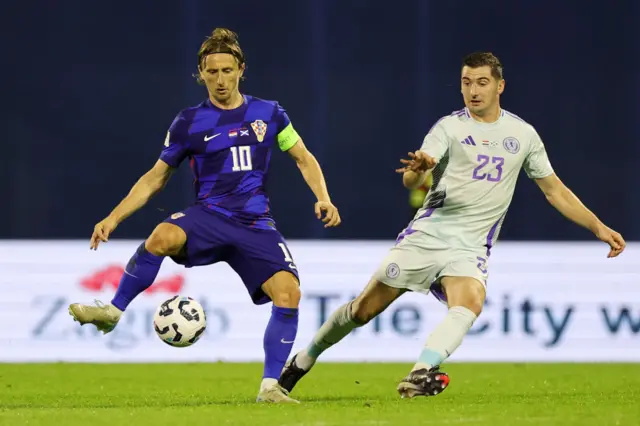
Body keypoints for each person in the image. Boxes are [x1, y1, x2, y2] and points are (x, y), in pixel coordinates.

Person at [278, 51, 626, 399]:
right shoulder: (449, 128)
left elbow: (555, 191)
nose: (473, 90)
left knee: (470, 302)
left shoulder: (523, 135)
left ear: (500, 86)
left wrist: (598, 228)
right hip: (428, 236)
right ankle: (303, 360)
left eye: (482, 82)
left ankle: (420, 372)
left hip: (470, 246)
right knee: (362, 311)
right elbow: (412, 182)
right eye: (466, 83)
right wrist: (420, 168)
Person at [68, 28, 341, 404]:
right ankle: (113, 312)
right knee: (161, 237)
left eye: (227, 70)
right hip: (209, 216)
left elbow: (303, 157)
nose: (220, 80)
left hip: (255, 224)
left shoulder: (270, 113)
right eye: (212, 72)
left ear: (241, 69)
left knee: (289, 293)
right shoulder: (188, 122)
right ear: (201, 73)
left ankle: (269, 388)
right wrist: (113, 218)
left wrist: (323, 197)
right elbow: (155, 178)